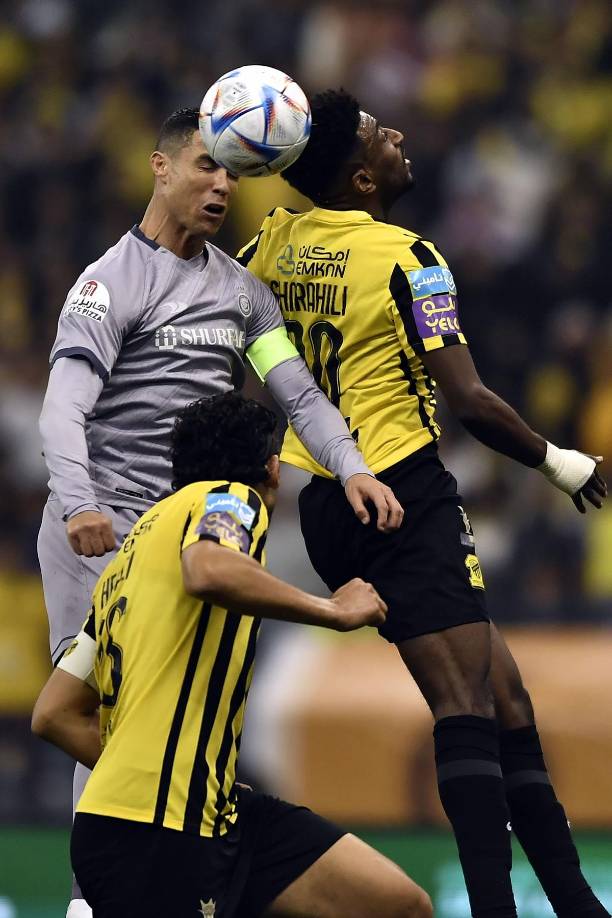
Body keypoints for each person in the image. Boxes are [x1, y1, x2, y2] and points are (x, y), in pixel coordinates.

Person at [237, 89, 610, 918]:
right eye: (379, 135)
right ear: (364, 177)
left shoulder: (275, 241)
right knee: (465, 706)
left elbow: (239, 330)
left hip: (326, 502)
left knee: (505, 696)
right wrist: (562, 465)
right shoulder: (408, 257)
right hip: (403, 492)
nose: (399, 136)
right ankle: (493, 910)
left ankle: (577, 904)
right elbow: (472, 403)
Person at [37, 108, 402, 917]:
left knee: (193, 702)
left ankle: (183, 835)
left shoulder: (242, 295)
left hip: (194, 525)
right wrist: (80, 503)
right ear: (160, 167)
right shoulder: (109, 284)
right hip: (102, 526)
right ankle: (90, 898)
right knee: (107, 702)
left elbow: (296, 391)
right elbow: (61, 410)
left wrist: (353, 469)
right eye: (206, 166)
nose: (221, 186)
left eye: (234, 172)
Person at [32, 392, 432, 918]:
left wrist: (175, 770)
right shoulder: (229, 498)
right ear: (271, 468)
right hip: (156, 834)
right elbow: (209, 570)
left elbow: (53, 712)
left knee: (398, 905)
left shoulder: (125, 562)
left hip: (209, 810)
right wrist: (333, 610)